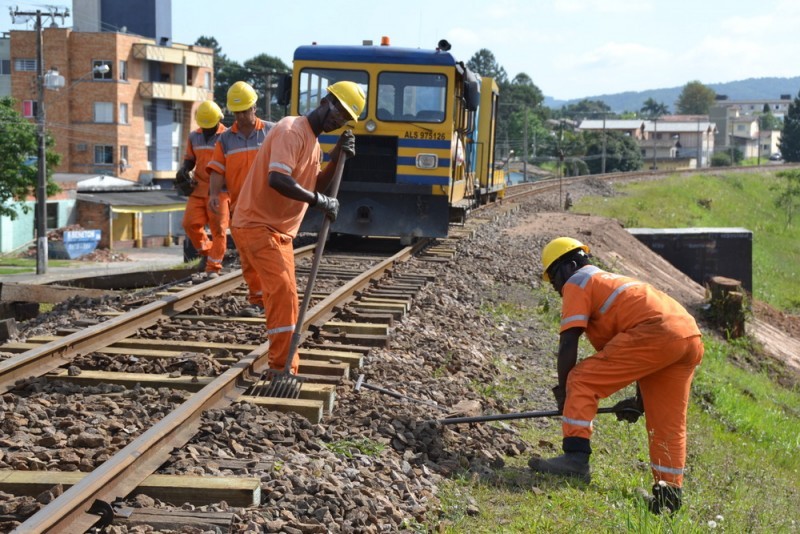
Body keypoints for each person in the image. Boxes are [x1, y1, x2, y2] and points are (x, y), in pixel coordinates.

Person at [529, 237, 704, 515]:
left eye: (554, 280)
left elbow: (568, 343)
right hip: (687, 337)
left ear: (570, 265)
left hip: (657, 333)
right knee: (666, 425)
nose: (557, 289)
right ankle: (668, 498)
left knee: (581, 379)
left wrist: (565, 390)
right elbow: (640, 352)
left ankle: (575, 459)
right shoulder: (613, 282)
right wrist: (639, 401)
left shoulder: (578, 281)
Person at [230, 81, 365, 375]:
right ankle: (282, 367)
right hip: (258, 225)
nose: (338, 120)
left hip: (278, 232)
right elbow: (278, 180)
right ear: (326, 101)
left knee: (284, 296)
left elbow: (316, 186)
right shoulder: (291, 130)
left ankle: (282, 361)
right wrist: (319, 201)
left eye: (344, 118)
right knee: (284, 295)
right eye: (338, 111)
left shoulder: (314, 144)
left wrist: (337, 156)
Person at [207, 81, 274, 315]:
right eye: (237, 112)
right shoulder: (225, 139)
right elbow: (217, 169)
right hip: (240, 209)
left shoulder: (272, 132)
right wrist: (214, 194)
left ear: (255, 107)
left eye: (245, 110)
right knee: (248, 256)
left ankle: (274, 298)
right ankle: (257, 300)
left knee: (270, 255)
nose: (241, 116)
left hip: (269, 207)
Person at [177, 100, 227, 278]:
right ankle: (208, 253)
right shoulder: (194, 136)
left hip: (220, 190)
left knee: (218, 229)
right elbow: (190, 159)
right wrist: (183, 170)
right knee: (189, 224)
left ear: (218, 120)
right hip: (198, 189)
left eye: (210, 126)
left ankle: (213, 267)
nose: (207, 130)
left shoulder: (227, 136)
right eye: (204, 126)